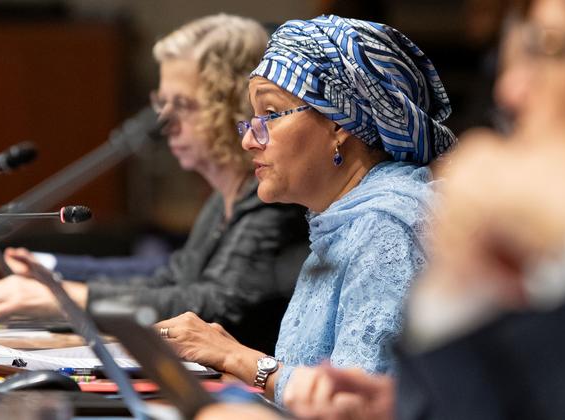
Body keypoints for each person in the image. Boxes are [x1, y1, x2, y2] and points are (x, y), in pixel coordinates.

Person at [281, 0, 565, 419]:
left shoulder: (388, 217)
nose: (510, 90)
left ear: (341, 124)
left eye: (550, 48)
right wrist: (398, 407)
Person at [153, 15, 456, 404]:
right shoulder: (341, 219)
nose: (249, 140)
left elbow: (353, 406)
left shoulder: (386, 225)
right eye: (252, 119)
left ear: (340, 123)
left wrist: (243, 360)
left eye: (270, 114)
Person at [0, 14, 309, 354]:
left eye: (181, 105)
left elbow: (219, 307)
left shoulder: (272, 196)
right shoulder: (222, 199)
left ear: (233, 106)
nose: (165, 123)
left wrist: (64, 299)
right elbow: (168, 279)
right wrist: (48, 273)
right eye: (161, 104)